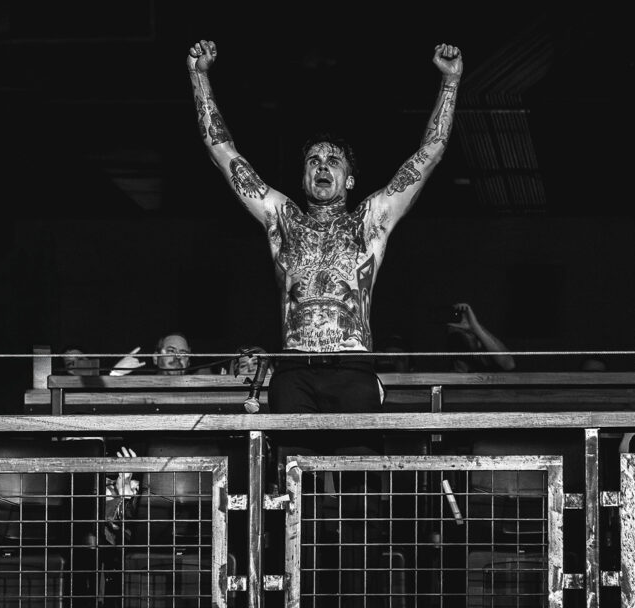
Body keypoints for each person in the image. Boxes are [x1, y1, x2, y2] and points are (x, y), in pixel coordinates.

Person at [187, 37, 463, 413]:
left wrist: (450, 81)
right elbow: (222, 152)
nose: (322, 165)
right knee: (289, 452)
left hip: (352, 366)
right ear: (303, 179)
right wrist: (198, 75)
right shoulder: (283, 219)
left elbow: (430, 153)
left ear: (349, 180)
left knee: (357, 451)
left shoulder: (369, 220)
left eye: (333, 162)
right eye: (314, 161)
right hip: (294, 369)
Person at [446, 303, 515, 373]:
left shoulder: (485, 358)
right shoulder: (449, 352)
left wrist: (475, 327)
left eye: (466, 333)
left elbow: (508, 364)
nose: (460, 340)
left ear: (479, 342)